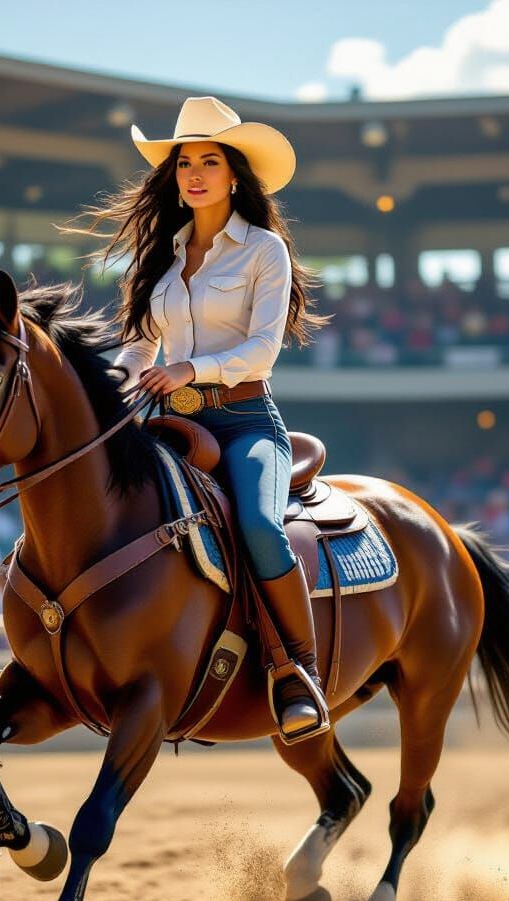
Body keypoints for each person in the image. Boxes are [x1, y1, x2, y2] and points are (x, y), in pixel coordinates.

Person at [76, 95, 332, 743]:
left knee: (258, 525)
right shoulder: (155, 256)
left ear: (234, 173)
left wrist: (191, 371)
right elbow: (137, 349)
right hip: (168, 423)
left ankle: (295, 672)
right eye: (185, 161)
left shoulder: (264, 251)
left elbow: (262, 351)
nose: (194, 172)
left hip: (246, 421)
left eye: (208, 161)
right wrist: (113, 391)